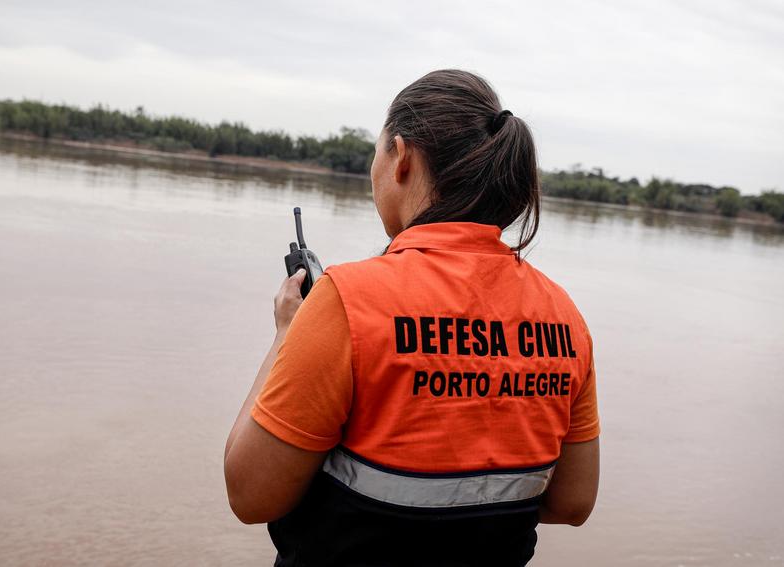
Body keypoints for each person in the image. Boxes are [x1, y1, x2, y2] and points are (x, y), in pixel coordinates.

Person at [224, 69, 600, 566]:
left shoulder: (346, 299)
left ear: (401, 157)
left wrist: (288, 334)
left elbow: (250, 494)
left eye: (377, 153)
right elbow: (573, 503)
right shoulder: (564, 317)